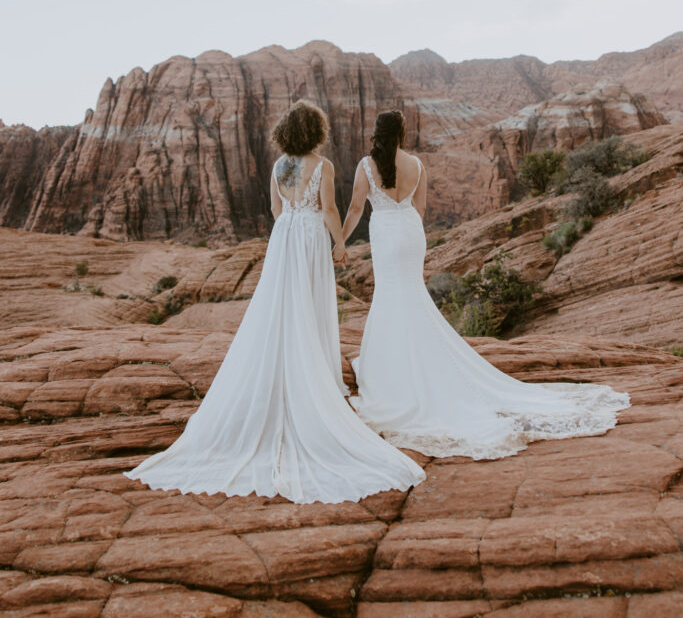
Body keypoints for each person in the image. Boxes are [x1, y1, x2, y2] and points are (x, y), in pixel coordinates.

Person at [125, 100, 425, 503]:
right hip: (310, 237)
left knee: (281, 305)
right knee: (311, 304)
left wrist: (290, 224)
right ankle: (315, 376)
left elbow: (274, 208)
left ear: (286, 131)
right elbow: (331, 208)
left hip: (284, 235)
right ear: (315, 130)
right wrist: (338, 242)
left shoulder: (278, 166)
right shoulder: (324, 165)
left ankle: (284, 368)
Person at [341, 109, 630, 459]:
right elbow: (420, 211)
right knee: (412, 295)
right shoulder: (417, 164)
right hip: (409, 234)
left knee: (389, 297)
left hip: (385, 234)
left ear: (377, 132)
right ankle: (417, 359)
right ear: (401, 132)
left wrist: (340, 241)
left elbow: (357, 208)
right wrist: (409, 235)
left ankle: (394, 368)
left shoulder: (365, 165)